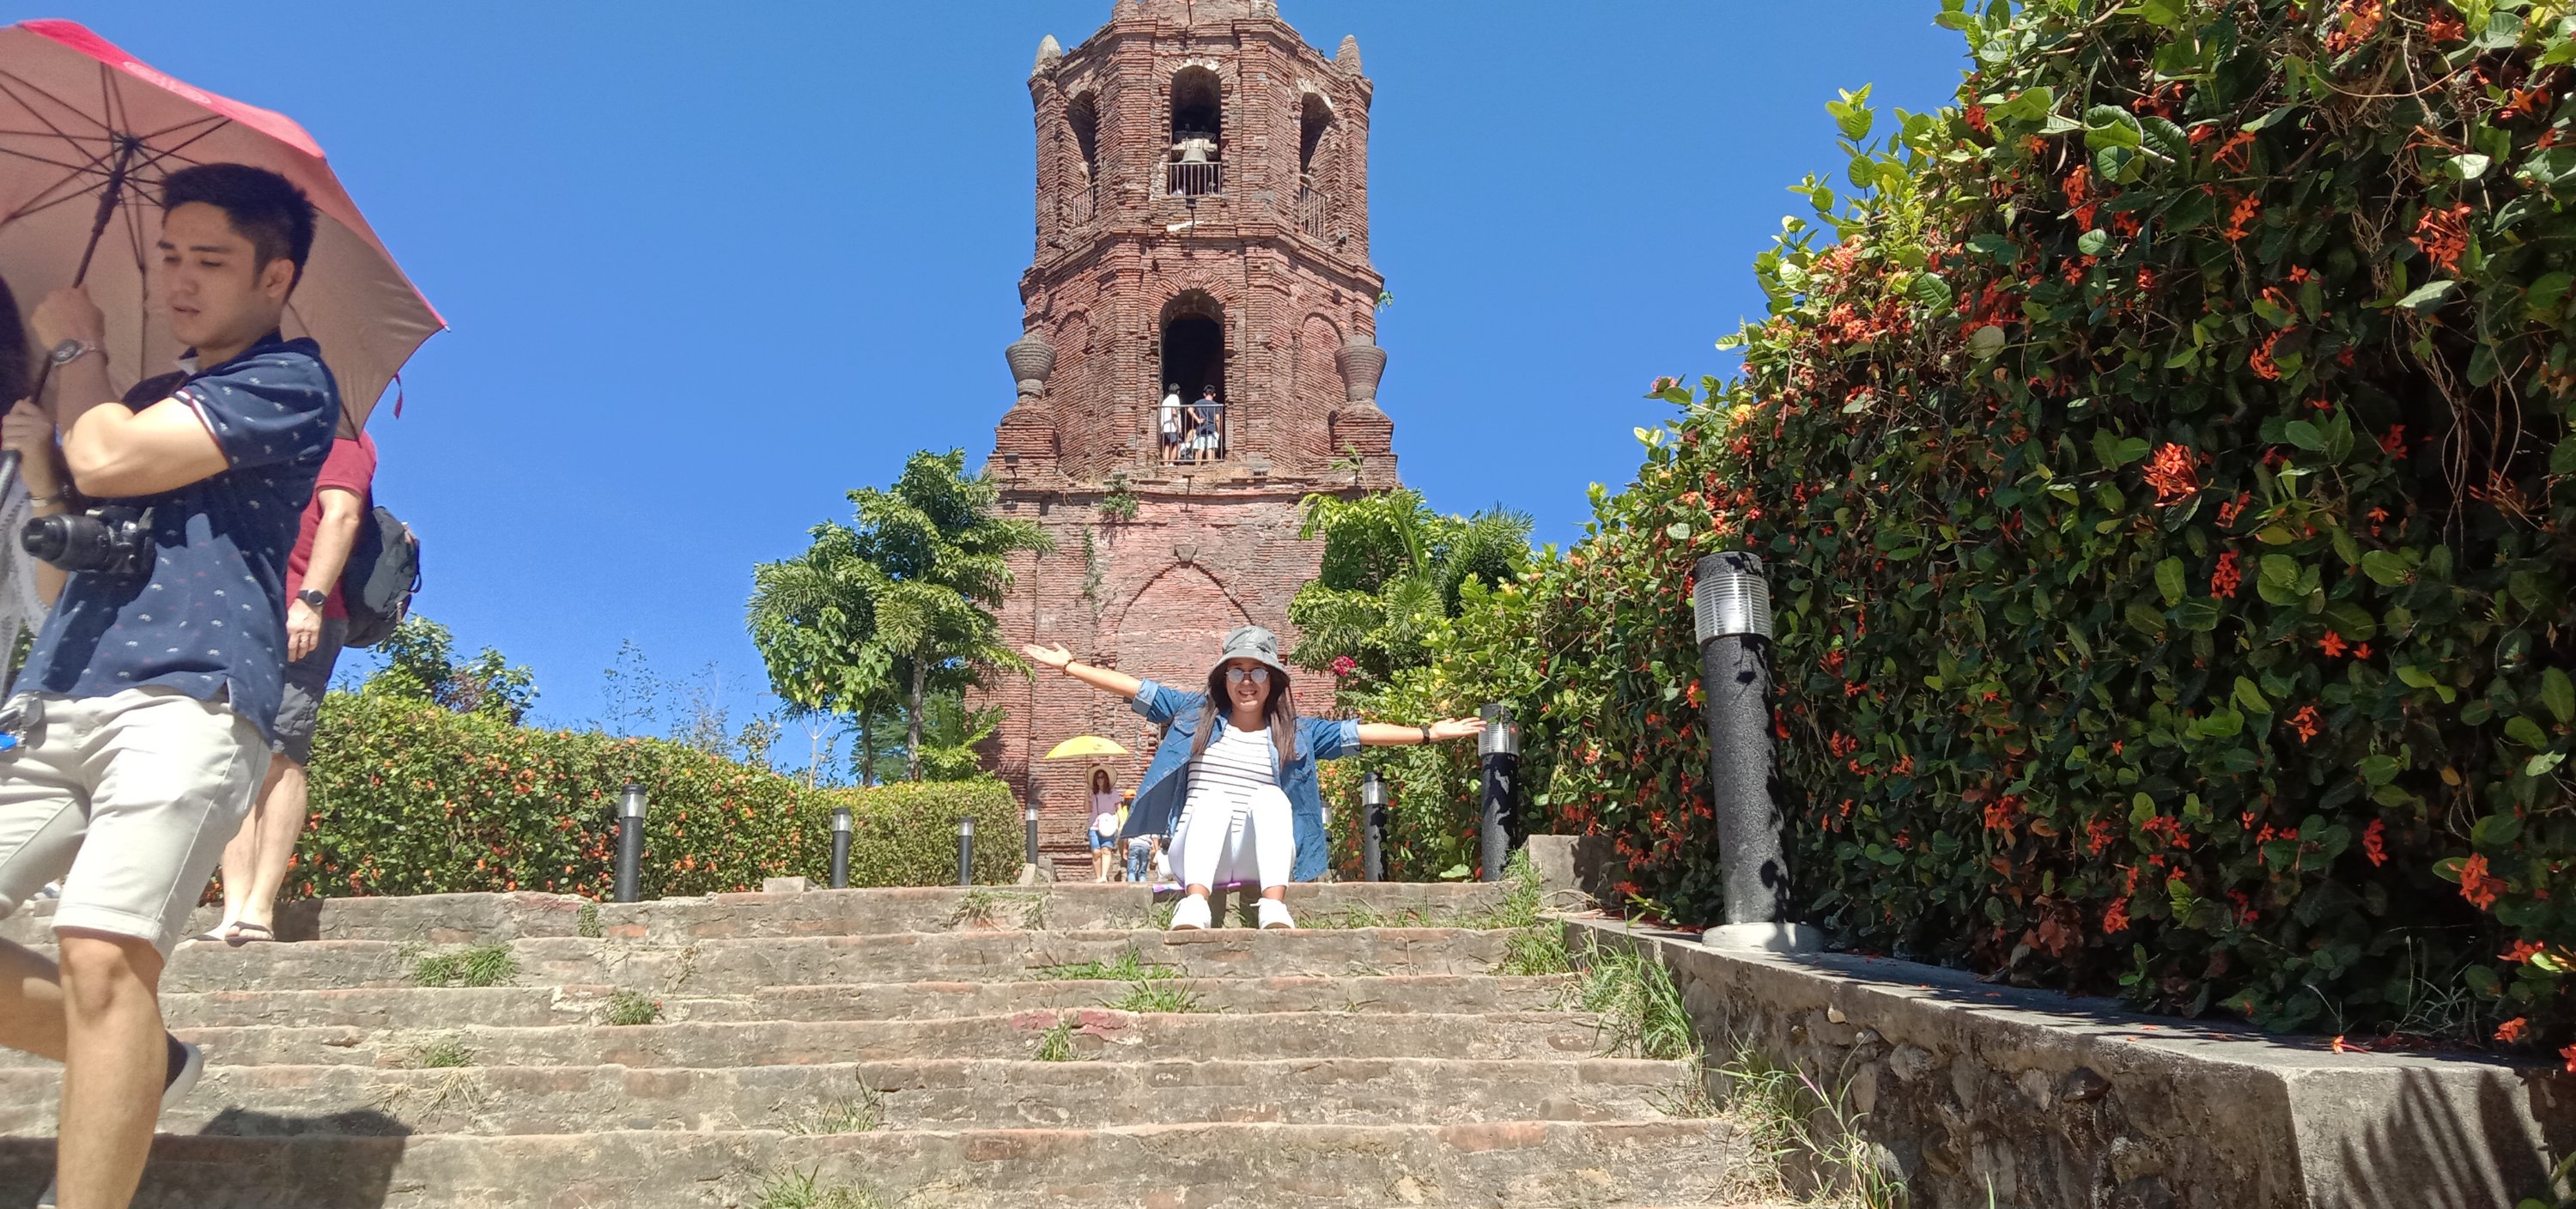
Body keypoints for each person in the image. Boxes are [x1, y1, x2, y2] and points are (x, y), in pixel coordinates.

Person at [0, 163, 337, 1209]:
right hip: (62, 690)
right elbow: (57, 583)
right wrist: (43, 472)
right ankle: (150, 1058)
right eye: (169, 257)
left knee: (103, 957)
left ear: (275, 276)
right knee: (105, 991)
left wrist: (76, 352)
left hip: (188, 699)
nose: (181, 281)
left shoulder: (290, 383)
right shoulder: (143, 399)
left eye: (211, 261)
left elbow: (110, 460)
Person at [1024, 628, 1484, 930]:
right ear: (1224, 678)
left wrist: (1429, 732)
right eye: (1237, 671)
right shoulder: (1193, 714)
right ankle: (1195, 903)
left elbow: (1359, 733)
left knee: (1272, 800)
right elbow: (1135, 687)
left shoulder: (1297, 733)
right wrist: (1068, 666)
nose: (1248, 681)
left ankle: (1273, 905)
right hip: (1194, 849)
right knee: (1214, 800)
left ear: (1272, 681)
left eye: (1258, 671)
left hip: (1254, 857)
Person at [201, 427, 376, 944]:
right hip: (243, 609)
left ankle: (260, 908)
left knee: (281, 754)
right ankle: (233, 909)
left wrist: (311, 600)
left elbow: (342, 516)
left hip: (302, 612)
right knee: (235, 754)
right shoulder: (267, 438)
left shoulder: (343, 438)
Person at [1088, 769, 1120, 882]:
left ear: (1106, 779)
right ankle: (1098, 876)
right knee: (1096, 852)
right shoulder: (1094, 794)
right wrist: (1086, 795)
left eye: (1102, 777)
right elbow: (1087, 809)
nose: (1100, 780)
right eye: (1097, 778)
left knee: (1106, 850)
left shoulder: (1113, 792)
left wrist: (1120, 822)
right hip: (1094, 825)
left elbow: (1119, 808)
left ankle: (1103, 876)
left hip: (1108, 825)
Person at [1190, 386, 1223, 464]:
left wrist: (1197, 419)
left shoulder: (1198, 402)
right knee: (1211, 448)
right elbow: (1217, 419)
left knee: (1199, 449)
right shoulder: (1216, 405)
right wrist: (1219, 430)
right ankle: (1210, 466)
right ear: (1214, 394)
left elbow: (1189, 409)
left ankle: (1197, 466)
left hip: (1200, 428)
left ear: (1204, 394)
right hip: (1211, 429)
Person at [1157, 383, 1182, 467]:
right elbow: (1174, 411)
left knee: (1167, 445)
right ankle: (1171, 463)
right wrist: (1177, 426)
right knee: (1177, 444)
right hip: (1172, 427)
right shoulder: (1175, 398)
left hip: (1165, 427)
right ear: (1178, 392)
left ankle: (1165, 464)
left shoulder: (1165, 400)